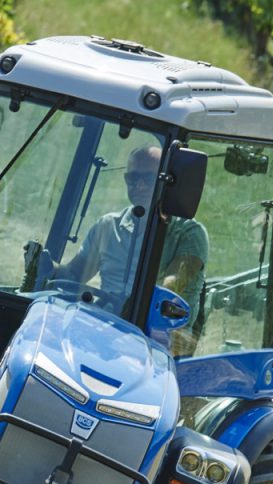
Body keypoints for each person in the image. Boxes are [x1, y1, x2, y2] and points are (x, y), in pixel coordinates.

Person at [52, 145, 208, 354]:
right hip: (104, 330)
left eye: (148, 178)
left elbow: (171, 287)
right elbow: (74, 275)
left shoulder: (189, 232)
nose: (140, 186)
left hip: (159, 344)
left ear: (167, 181)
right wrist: (47, 268)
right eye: (133, 179)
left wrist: (129, 306)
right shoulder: (108, 226)